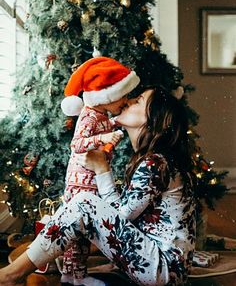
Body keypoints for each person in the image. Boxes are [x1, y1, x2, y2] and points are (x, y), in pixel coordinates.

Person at [0, 86, 196, 286]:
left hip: (163, 270)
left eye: (138, 101)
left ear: (154, 119)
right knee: (83, 208)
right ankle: (42, 265)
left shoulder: (156, 163)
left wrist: (102, 169)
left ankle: (10, 276)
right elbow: (123, 218)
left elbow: (121, 217)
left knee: (85, 204)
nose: (127, 100)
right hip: (160, 266)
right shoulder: (156, 159)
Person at [60, 56, 140, 285]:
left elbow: (107, 135)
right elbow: (77, 144)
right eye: (122, 96)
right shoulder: (88, 115)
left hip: (93, 176)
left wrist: (111, 136)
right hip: (81, 179)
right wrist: (104, 138)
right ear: (107, 96)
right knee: (78, 228)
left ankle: (72, 274)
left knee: (82, 230)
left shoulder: (103, 116)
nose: (125, 101)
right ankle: (77, 276)